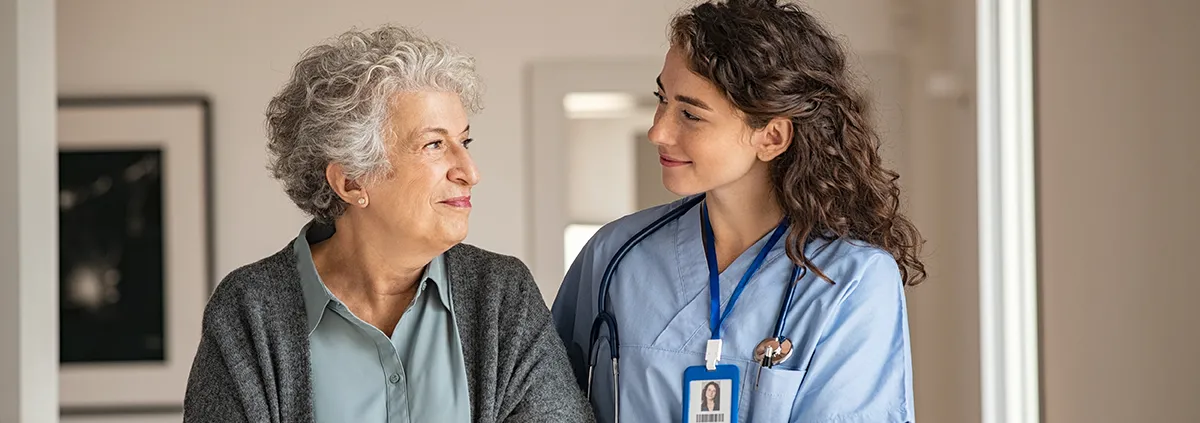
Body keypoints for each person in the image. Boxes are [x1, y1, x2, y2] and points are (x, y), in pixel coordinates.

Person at [183, 24, 594, 423]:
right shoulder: (248, 310)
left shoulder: (502, 295)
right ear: (350, 180)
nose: (469, 170)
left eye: (463, 142)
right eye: (434, 145)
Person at [551, 1, 926, 422]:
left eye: (690, 114)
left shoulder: (851, 280)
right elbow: (539, 403)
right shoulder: (615, 254)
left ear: (772, 136)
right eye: (662, 99)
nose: (657, 130)